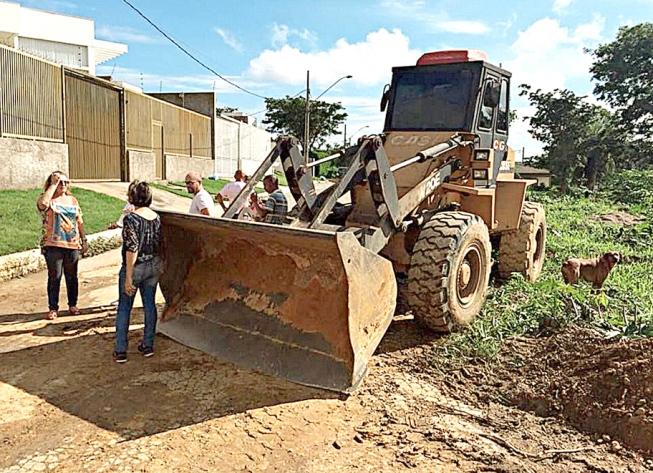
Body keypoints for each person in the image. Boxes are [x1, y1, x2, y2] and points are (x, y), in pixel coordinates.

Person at [113, 180, 162, 363]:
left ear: (132, 197)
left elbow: (132, 248)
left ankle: (120, 350)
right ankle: (148, 345)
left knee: (125, 307)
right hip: (153, 265)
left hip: (136, 266)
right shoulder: (156, 217)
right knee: (149, 304)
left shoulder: (131, 219)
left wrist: (129, 277)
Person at [37, 171, 88, 320]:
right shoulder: (49, 199)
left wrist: (83, 239)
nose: (63, 185)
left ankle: (73, 304)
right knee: (55, 277)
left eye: (66, 182)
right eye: (60, 182)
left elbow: (79, 221)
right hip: (53, 245)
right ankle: (53, 308)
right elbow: (42, 205)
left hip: (72, 244)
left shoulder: (72, 200)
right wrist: (53, 185)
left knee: (72, 277)